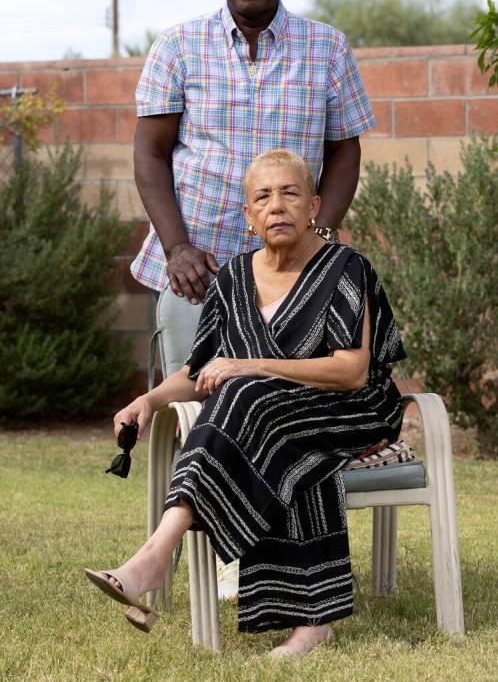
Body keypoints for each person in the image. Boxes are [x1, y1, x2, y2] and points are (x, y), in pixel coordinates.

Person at [85, 151, 406, 657]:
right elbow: (199, 371)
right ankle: (312, 622)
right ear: (248, 217)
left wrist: (251, 365)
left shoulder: (346, 267)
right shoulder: (232, 279)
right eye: (263, 197)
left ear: (315, 206)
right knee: (264, 420)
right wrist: (148, 399)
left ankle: (155, 555)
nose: (277, 205)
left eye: (290, 193)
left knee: (247, 395)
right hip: (269, 415)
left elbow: (352, 370)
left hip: (352, 410)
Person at [131, 0, 376, 311]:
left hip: (293, 271)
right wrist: (177, 247)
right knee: (192, 374)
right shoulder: (178, 46)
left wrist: (318, 242)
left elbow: (345, 152)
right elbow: (150, 153)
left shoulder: (327, 48)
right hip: (196, 269)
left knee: (285, 374)